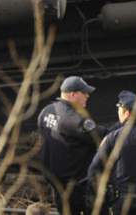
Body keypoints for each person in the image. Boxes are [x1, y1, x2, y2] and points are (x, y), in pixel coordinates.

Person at [37, 76, 105, 215]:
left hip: (57, 183)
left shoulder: (46, 112)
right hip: (77, 185)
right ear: (73, 94)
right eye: (84, 92)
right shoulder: (74, 119)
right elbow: (98, 135)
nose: (87, 95)